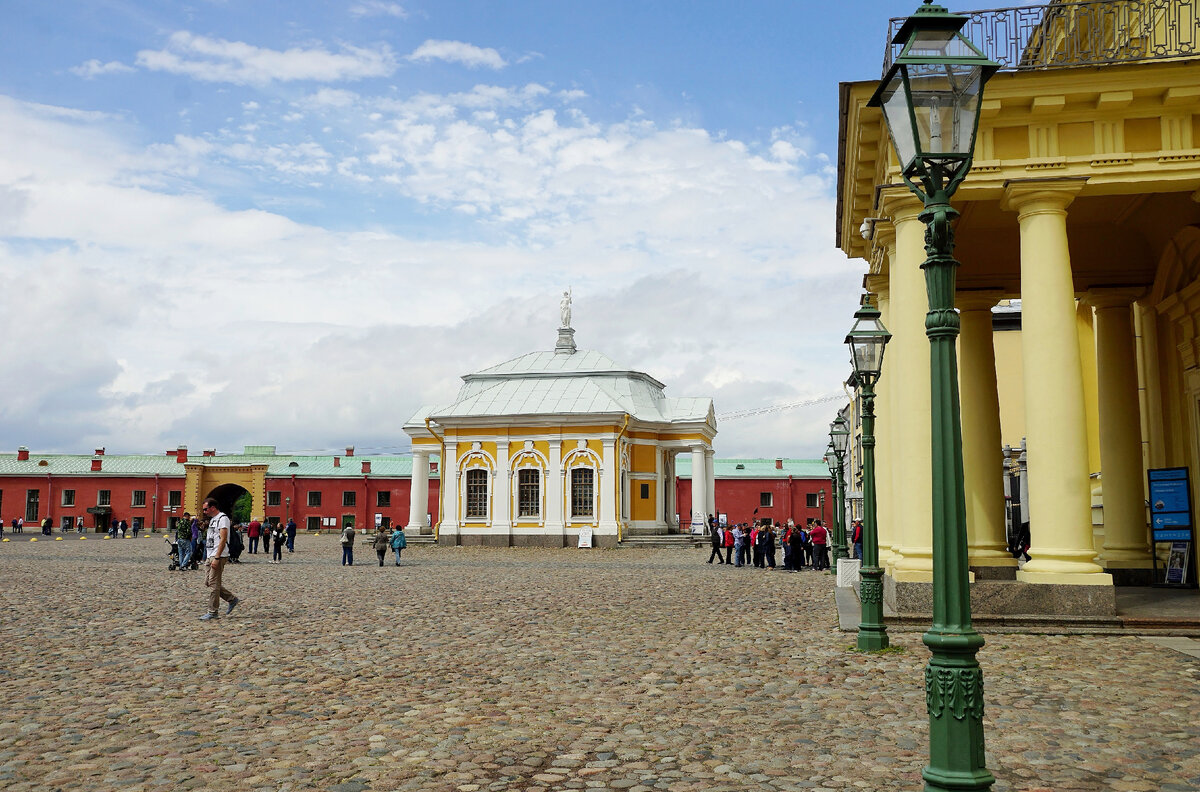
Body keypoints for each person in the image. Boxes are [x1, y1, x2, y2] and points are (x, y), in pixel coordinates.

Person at [199, 497, 239, 620]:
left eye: (205, 509)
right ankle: (232, 599)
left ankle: (213, 612)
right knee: (208, 582)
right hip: (210, 554)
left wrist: (217, 557)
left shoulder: (223, 519)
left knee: (213, 585)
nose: (204, 511)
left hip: (218, 555)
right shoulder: (212, 520)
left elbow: (223, 538)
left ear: (213, 507)